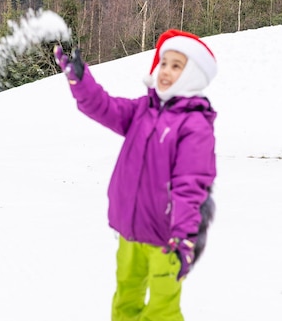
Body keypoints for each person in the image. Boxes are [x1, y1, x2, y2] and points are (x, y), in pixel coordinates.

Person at [54, 29, 217, 321]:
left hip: (167, 238)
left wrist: (183, 238)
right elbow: (104, 107)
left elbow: (190, 187)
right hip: (130, 231)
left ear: (193, 74)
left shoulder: (195, 126)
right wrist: (81, 80)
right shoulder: (144, 110)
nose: (166, 71)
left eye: (177, 65)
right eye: (164, 63)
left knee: (162, 311)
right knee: (125, 299)